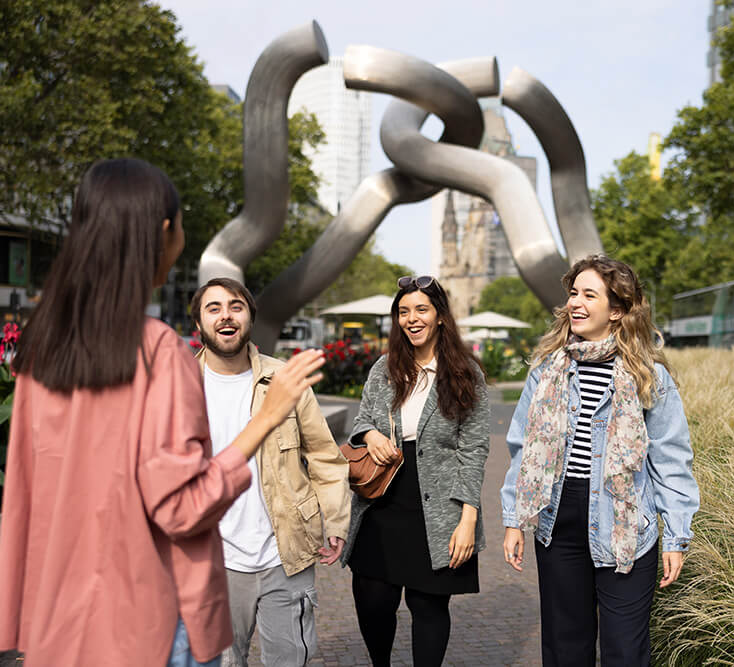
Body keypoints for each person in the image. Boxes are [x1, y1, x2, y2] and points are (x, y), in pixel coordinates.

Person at [0, 158, 325, 667]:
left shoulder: (41, 349)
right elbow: (182, 507)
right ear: (164, 230)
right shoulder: (158, 350)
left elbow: (22, 496)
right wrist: (266, 418)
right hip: (152, 617)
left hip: (62, 617)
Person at [500, 256, 700, 667]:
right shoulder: (548, 370)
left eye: (589, 295)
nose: (576, 302)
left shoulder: (649, 376)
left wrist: (677, 535)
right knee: (565, 649)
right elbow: (522, 446)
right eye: (573, 293)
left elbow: (671, 458)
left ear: (617, 310)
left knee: (625, 652)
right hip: (557, 522)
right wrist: (513, 518)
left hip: (624, 524)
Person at [188, 277, 350, 667]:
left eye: (235, 306)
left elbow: (325, 457)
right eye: (213, 308)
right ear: (198, 325)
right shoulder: (180, 387)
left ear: (249, 318)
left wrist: (336, 520)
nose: (225, 315)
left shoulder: (285, 381)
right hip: (213, 562)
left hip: (285, 554)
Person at [342, 275, 489, 667]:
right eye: (404, 311)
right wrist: (370, 434)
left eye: (421, 309)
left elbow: (473, 449)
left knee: (428, 606)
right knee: (372, 600)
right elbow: (361, 421)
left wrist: (467, 519)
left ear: (440, 315)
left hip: (439, 507)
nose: (412, 318)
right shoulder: (384, 368)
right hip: (383, 501)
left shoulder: (465, 373)